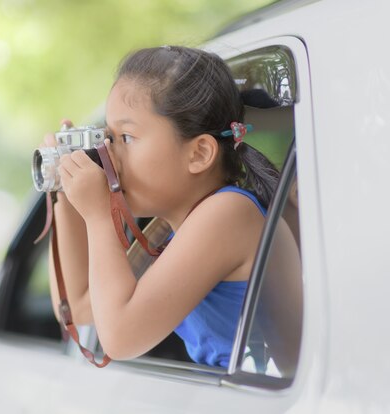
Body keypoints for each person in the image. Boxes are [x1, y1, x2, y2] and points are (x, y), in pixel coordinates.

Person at [44, 45, 280, 368]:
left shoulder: (228, 214)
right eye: (108, 139)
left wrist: (99, 215)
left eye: (125, 138)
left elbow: (120, 336)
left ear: (198, 154)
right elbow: (80, 309)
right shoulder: (168, 229)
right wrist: (65, 194)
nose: (109, 156)